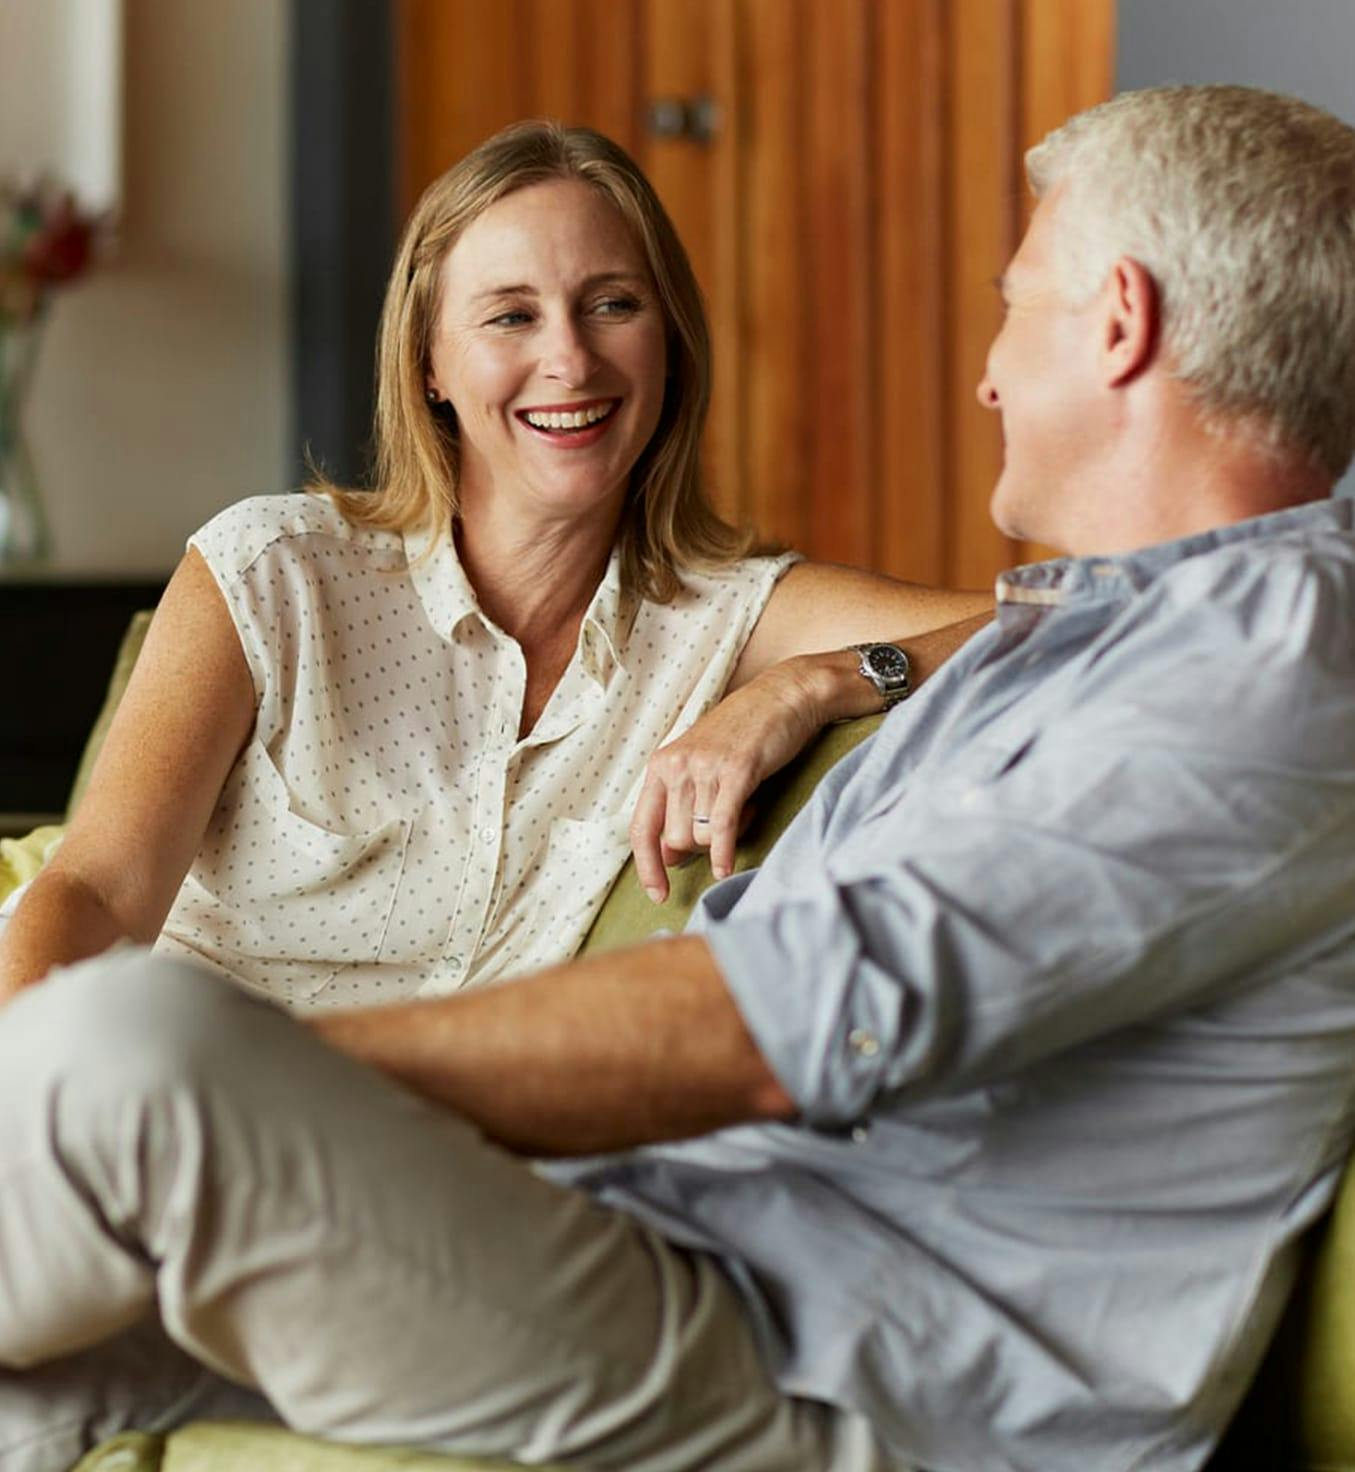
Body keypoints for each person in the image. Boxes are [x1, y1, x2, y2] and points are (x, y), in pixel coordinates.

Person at [5, 81, 1355, 1472]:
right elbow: (998, 629)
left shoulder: (1270, 665)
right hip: (687, 1259)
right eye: (511, 315)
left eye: (1017, 303)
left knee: (134, 1057)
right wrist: (827, 682)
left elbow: (790, 1013)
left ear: (1118, 322)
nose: (986, 377)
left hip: (843, 1369)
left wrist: (268, 1093)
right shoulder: (1103, 641)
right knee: (46, 1371)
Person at [0, 122, 988, 1008]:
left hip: (434, 1170)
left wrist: (815, 681)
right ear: (429, 362)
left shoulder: (731, 616)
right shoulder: (274, 574)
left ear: (671, 346)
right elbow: (93, 893)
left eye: (610, 304)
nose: (569, 360)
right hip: (151, 1106)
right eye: (510, 316)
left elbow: (1100, 611)